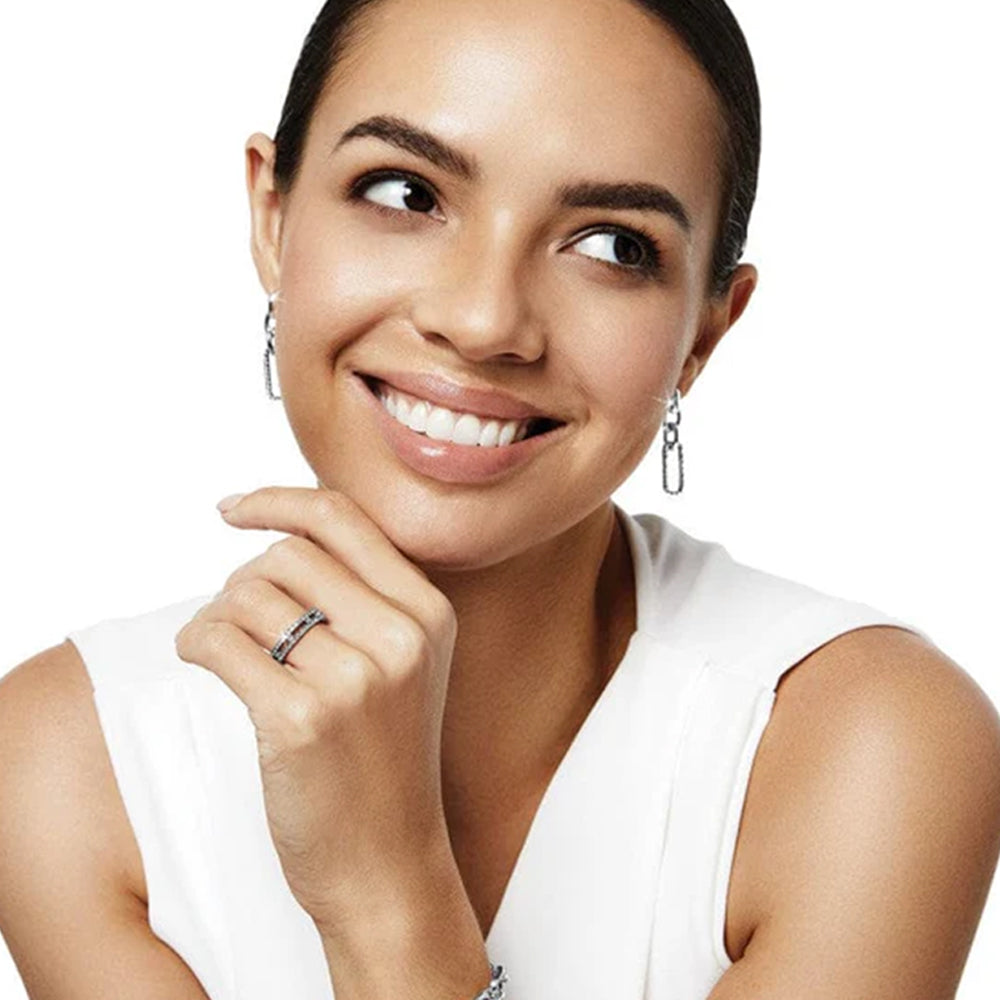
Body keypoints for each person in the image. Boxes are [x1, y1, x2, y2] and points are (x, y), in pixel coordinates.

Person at [1, 0, 999, 998]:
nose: (483, 321)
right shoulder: (72, 761)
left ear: (704, 333)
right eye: (404, 190)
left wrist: (382, 891)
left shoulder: (864, 744)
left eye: (612, 245)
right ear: (271, 214)